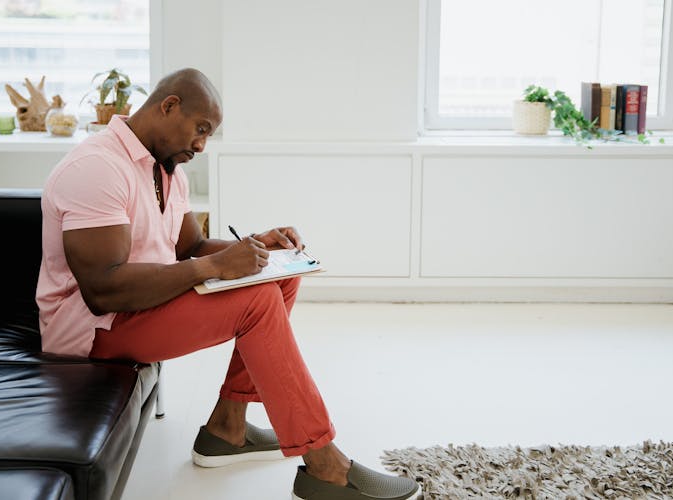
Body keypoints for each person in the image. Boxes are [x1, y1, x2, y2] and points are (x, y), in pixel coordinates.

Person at [36, 67, 419, 500]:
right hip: (91, 330)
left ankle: (228, 427)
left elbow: (191, 246)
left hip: (136, 307)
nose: (201, 145)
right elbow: (102, 289)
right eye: (200, 130)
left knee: (277, 279)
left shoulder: (167, 171)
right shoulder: (97, 167)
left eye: (208, 135)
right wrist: (215, 267)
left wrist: (257, 249)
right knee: (255, 300)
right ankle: (325, 464)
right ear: (169, 106)